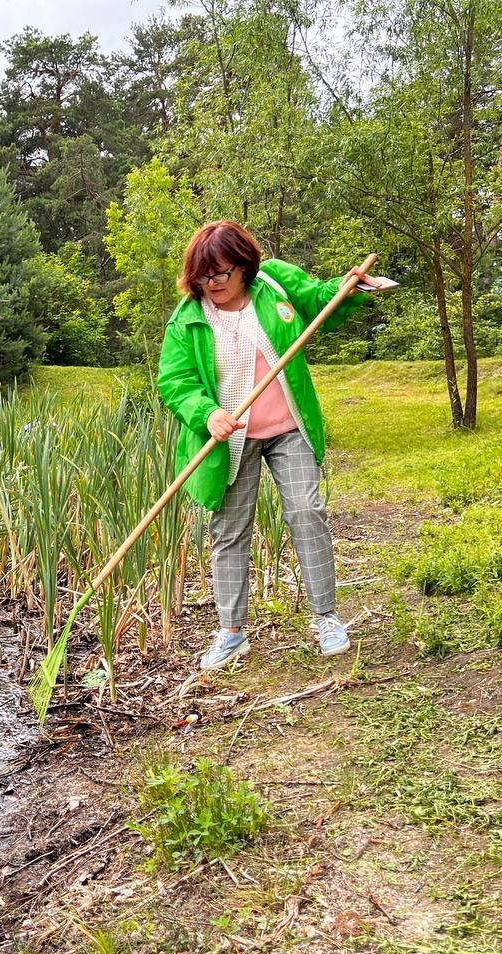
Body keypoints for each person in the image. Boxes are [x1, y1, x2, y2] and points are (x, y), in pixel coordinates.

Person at [156, 220, 373, 670]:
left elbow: (318, 299)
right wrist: (207, 413)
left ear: (244, 267)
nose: (211, 284)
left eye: (220, 274)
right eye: (202, 275)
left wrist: (347, 287)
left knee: (306, 511)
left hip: (288, 428)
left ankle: (326, 618)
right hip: (229, 441)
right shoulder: (188, 318)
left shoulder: (273, 282)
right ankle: (232, 632)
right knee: (230, 530)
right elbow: (176, 382)